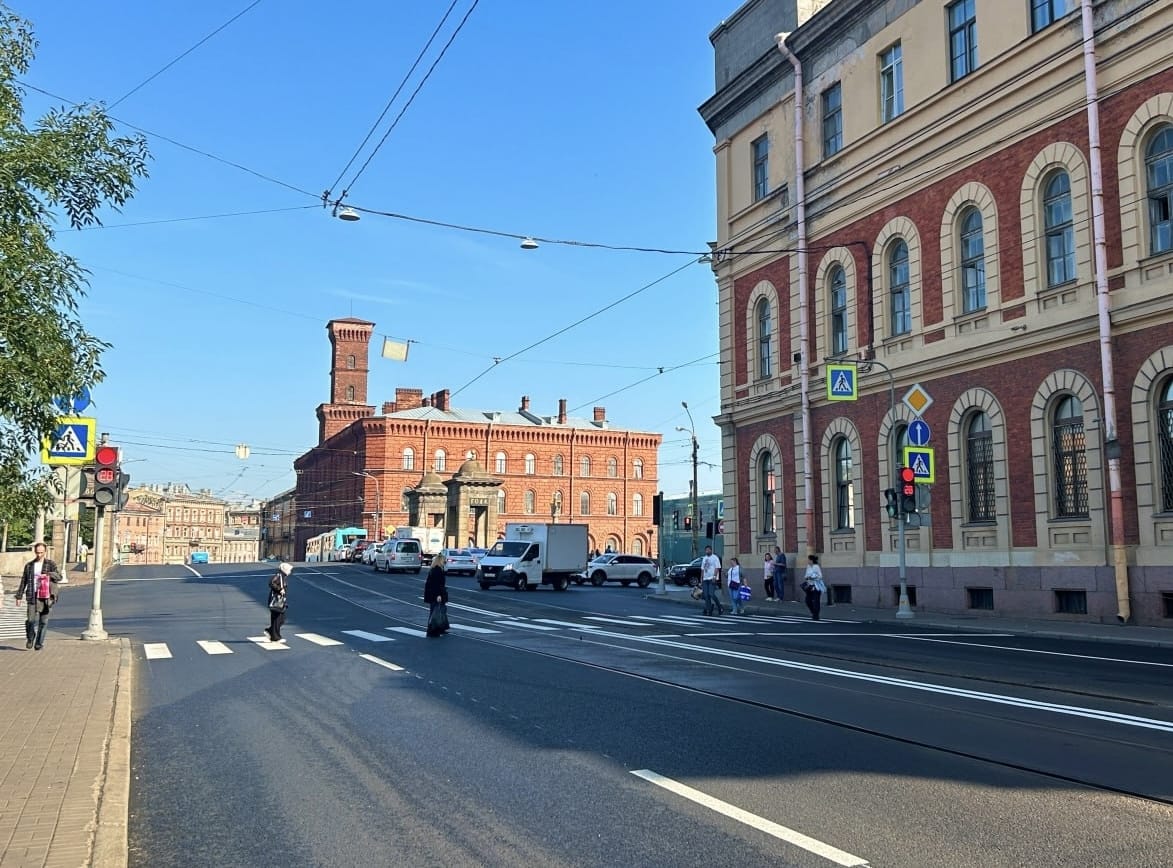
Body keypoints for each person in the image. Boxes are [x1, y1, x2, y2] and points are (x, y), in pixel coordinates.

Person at [15, 543, 61, 650]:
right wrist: (19, 596)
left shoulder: (50, 564)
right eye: (37, 552)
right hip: (32, 595)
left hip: (45, 596)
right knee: (30, 620)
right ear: (35, 552)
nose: (39, 555)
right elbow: (24, 581)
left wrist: (48, 574)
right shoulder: (29, 565)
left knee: (43, 621)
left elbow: (59, 577)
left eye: (41, 552)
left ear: (45, 552)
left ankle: (39, 643)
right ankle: (30, 637)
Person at [265, 562, 292, 641]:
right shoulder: (279, 575)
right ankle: (275, 636)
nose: (290, 572)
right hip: (276, 601)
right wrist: (279, 589)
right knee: (278, 619)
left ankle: (272, 633)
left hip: (279, 600)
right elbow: (271, 583)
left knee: (279, 619)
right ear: (285, 570)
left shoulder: (282, 576)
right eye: (289, 570)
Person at [424, 553, 449, 637]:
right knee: (434, 612)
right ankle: (432, 630)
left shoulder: (435, 569)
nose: (445, 563)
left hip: (433, 593)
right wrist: (438, 595)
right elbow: (436, 584)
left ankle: (438, 628)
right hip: (435, 594)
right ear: (440, 561)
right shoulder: (437, 571)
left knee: (437, 611)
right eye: (444, 561)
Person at [700, 545, 723, 616]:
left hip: (712, 578)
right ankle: (709, 610)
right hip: (705, 579)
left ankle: (719, 607)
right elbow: (702, 569)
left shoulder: (715, 557)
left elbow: (717, 568)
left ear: (711, 550)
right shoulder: (704, 558)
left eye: (708, 550)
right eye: (706, 550)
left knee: (711, 594)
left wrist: (714, 576)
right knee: (706, 595)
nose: (707, 551)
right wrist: (701, 578)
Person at [801, 555, 825, 621]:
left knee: (816, 601)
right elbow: (805, 575)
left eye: (809, 560)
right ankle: (813, 612)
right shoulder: (808, 567)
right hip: (810, 585)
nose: (808, 561)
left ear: (811, 560)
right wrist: (807, 577)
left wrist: (813, 577)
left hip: (816, 586)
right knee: (808, 601)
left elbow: (820, 576)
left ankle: (816, 615)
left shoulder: (816, 567)